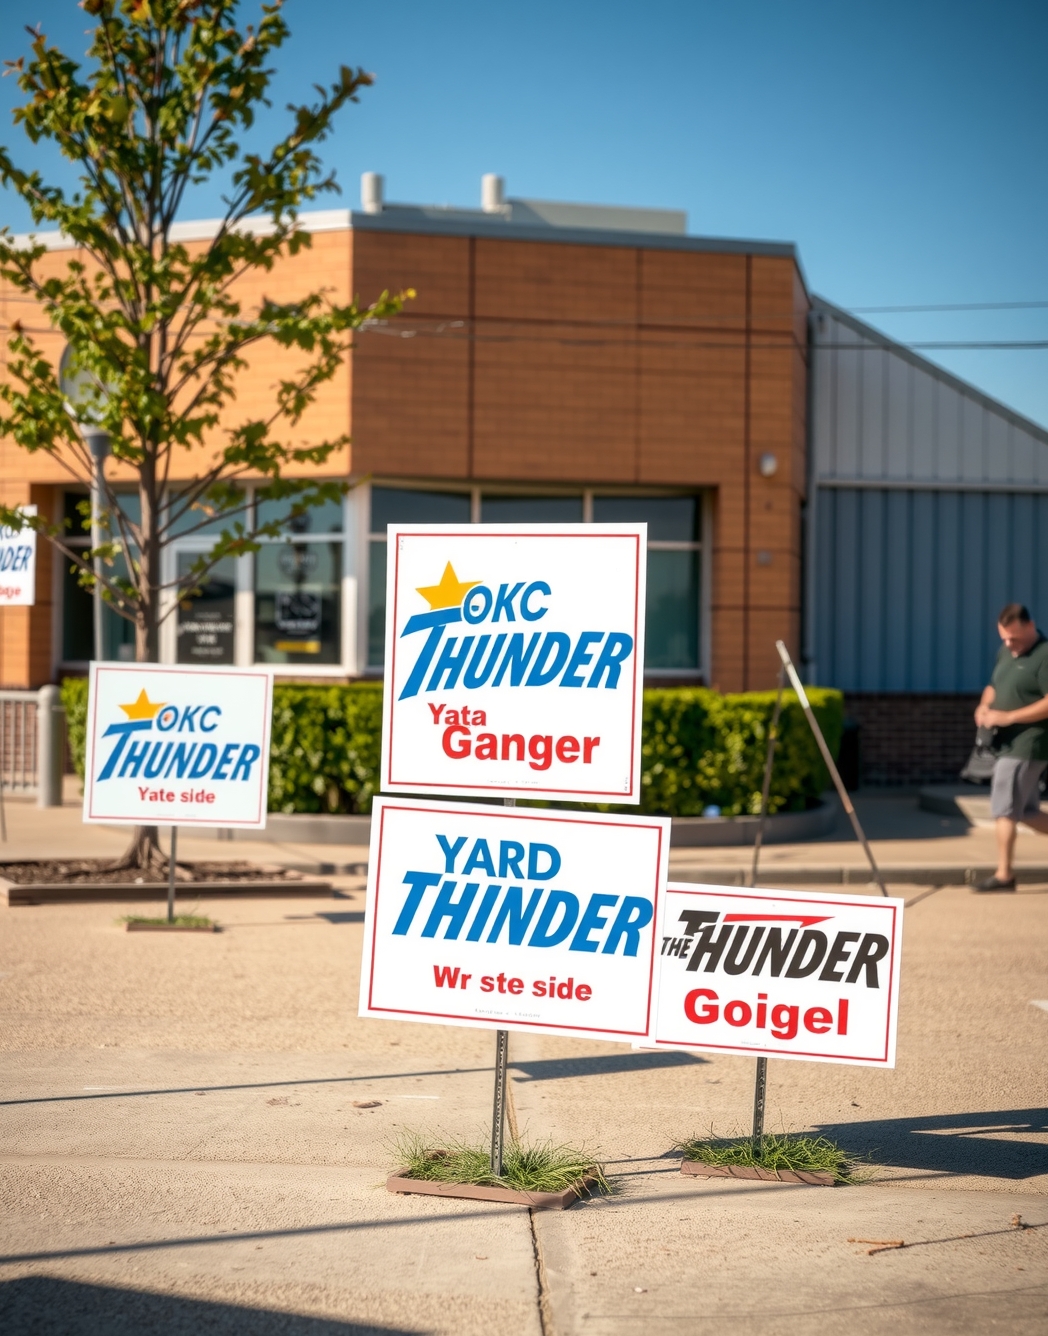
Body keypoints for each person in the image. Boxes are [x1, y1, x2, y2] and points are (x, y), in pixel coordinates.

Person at [973, 603, 1048, 891]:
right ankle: (1004, 874)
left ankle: (1004, 875)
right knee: (1026, 812)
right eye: (1004, 637)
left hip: (1028, 743)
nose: (1008, 643)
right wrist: (984, 706)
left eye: (1014, 638)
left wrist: (1008, 716)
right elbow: (994, 684)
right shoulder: (1006, 651)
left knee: (1004, 809)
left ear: (1030, 626)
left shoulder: (1044, 654)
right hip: (1005, 741)